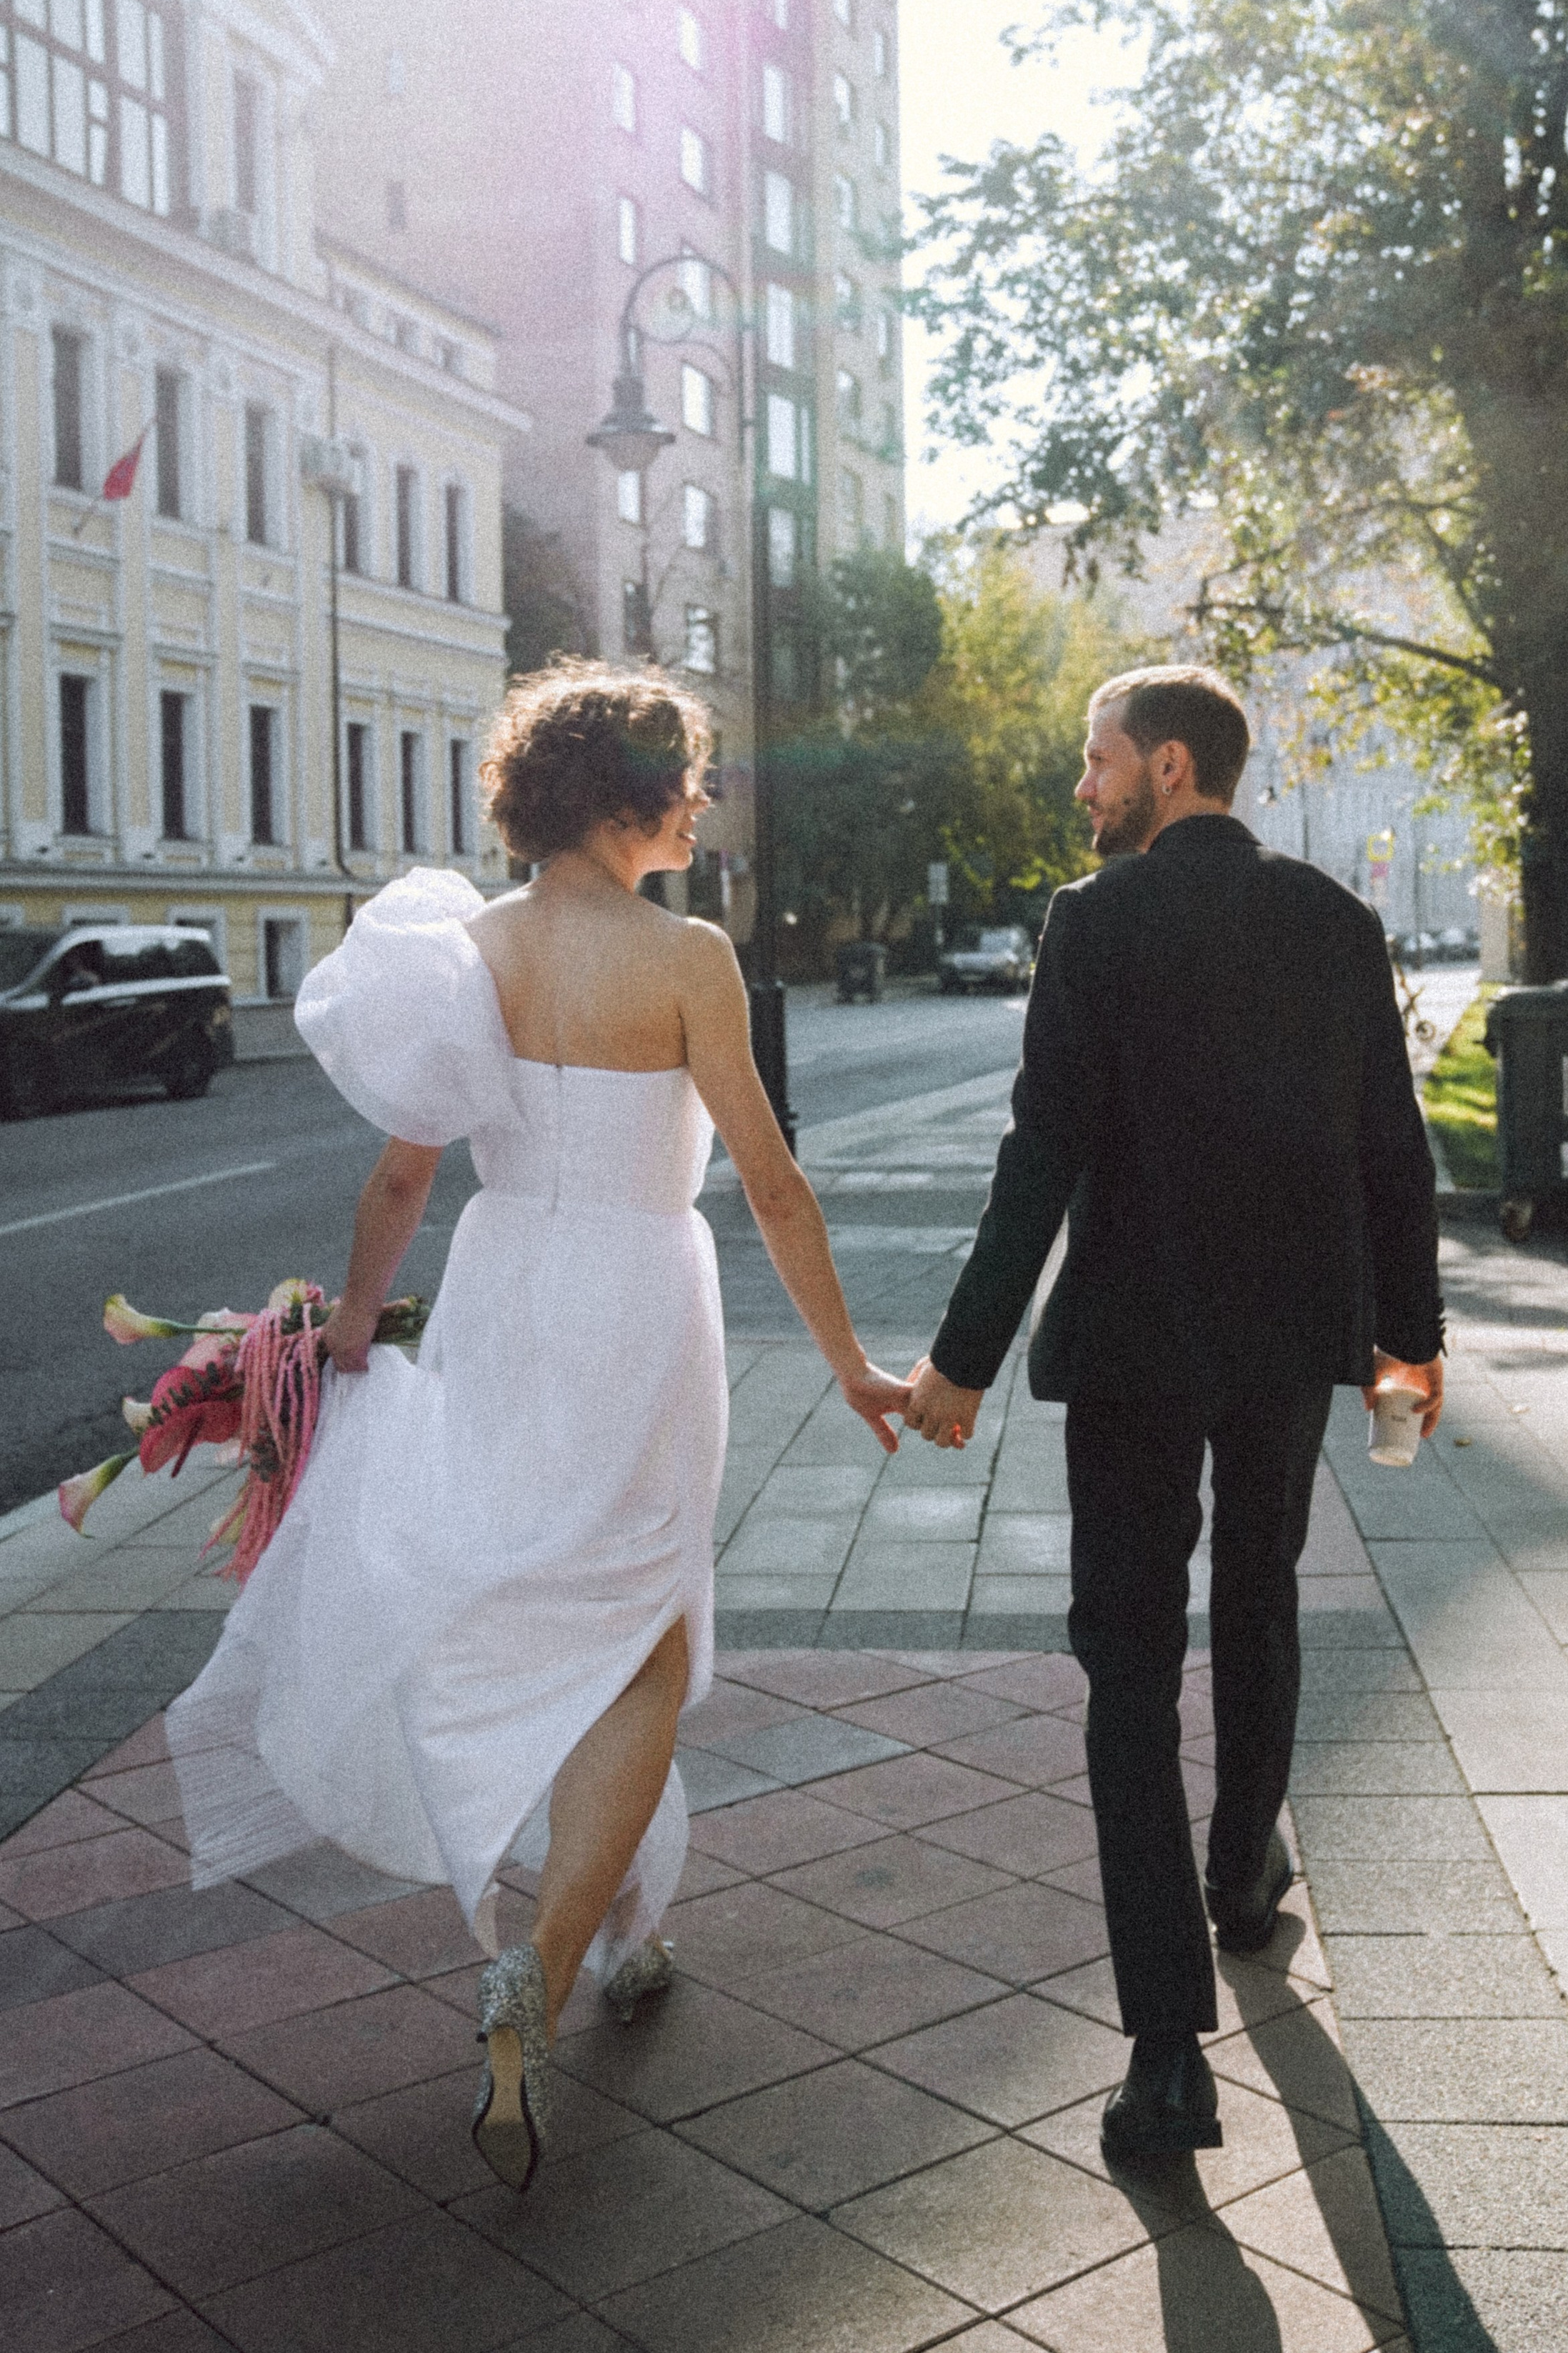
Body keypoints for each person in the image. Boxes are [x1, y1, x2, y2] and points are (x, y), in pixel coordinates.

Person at [164, 661, 909, 2193]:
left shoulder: (469, 952)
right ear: (629, 793)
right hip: (643, 1301)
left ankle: (620, 1923)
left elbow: (398, 1179)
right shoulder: (689, 955)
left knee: (534, 1590)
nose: (700, 801)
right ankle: (544, 1970)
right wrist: (847, 1359)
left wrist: (352, 1328)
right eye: (687, 775)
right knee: (642, 1636)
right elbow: (771, 1180)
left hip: (509, 1288)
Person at [899, 666, 1443, 2162]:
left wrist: (958, 1358)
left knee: (1126, 1663)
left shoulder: (1096, 923)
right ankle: (1243, 1879)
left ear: (1172, 765)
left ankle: (1162, 2048)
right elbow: (1391, 1155)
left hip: (1135, 1345)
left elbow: (1042, 1154)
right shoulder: (1336, 920)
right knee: (1258, 1599)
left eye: (1097, 762)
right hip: (1284, 1343)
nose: (1082, 787)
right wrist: (1408, 1350)